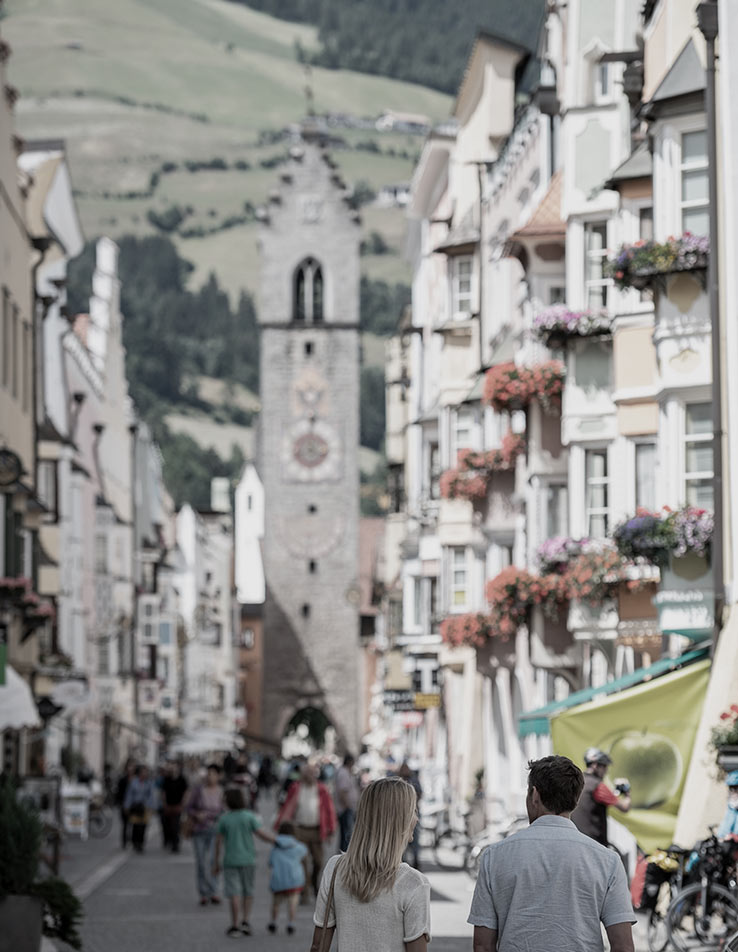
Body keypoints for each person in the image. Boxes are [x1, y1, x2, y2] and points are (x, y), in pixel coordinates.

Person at [468, 755, 635, 952]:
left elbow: (482, 945)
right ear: (575, 799)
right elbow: (623, 946)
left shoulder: (493, 857)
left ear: (535, 795)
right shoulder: (607, 861)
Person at [310, 777, 431, 952]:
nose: (416, 819)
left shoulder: (335, 868)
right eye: (413, 811)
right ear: (399, 820)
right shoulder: (414, 883)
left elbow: (317, 945)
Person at [213, 786, 277, 937]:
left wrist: (216, 862)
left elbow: (218, 843)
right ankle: (246, 921)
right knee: (248, 891)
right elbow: (261, 834)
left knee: (233, 893)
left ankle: (234, 924)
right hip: (248, 859)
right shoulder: (248, 816)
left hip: (230, 860)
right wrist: (277, 840)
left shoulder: (224, 819)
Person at [276, 763, 336, 904]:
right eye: (307, 773)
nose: (310, 776)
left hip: (316, 830)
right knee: (302, 862)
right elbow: (287, 806)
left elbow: (329, 810)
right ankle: (304, 892)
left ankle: (314, 884)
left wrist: (331, 830)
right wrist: (282, 825)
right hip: (299, 829)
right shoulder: (296, 787)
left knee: (318, 861)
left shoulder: (322, 789)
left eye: (312, 773)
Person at [571, 747, 631, 847]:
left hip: (576, 841)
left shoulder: (578, 782)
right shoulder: (597, 786)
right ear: (595, 765)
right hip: (594, 843)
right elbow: (624, 807)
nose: (606, 771)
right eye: (604, 767)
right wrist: (627, 792)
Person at [187, 763, 225, 906]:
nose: (210, 777)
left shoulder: (222, 792)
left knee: (213, 861)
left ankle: (214, 891)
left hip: (215, 830)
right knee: (201, 862)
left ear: (218, 776)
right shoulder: (198, 790)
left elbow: (225, 810)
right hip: (199, 830)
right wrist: (197, 814)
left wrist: (217, 817)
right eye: (208, 773)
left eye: (213, 774)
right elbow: (189, 807)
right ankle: (203, 892)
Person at [267, 820, 308, 935]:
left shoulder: (275, 847)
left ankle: (273, 922)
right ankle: (291, 923)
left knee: (276, 903)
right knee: (293, 902)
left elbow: (270, 862)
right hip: (294, 880)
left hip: (278, 880)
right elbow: (304, 856)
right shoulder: (299, 847)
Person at [123, 765, 157, 854]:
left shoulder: (149, 783)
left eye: (146, 772)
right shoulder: (134, 782)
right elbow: (129, 794)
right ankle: (135, 842)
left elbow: (151, 795)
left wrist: (152, 807)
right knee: (136, 825)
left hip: (145, 806)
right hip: (135, 806)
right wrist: (127, 806)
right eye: (143, 772)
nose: (144, 774)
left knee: (143, 826)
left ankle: (141, 843)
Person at [398, 761, 422, 870]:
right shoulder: (397, 782)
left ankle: (415, 860)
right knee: (401, 839)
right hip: (401, 814)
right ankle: (401, 860)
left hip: (412, 810)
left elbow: (420, 794)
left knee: (414, 838)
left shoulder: (414, 780)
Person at [162, 760, 188, 853]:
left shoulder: (182, 779)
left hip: (177, 805)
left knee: (175, 825)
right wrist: (164, 804)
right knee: (168, 825)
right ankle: (169, 841)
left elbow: (185, 792)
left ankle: (175, 844)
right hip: (169, 806)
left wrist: (183, 803)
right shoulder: (167, 779)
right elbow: (163, 792)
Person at [335, 754, 360, 852]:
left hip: (348, 807)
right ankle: (344, 853)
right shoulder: (343, 773)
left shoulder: (346, 773)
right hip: (345, 808)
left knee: (347, 832)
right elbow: (342, 791)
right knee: (346, 833)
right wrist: (347, 805)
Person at [115, 759, 136, 849]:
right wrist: (120, 803)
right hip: (124, 804)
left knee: (135, 823)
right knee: (125, 824)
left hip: (135, 805)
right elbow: (119, 792)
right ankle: (124, 841)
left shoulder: (136, 779)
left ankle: (133, 840)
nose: (130, 768)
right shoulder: (123, 779)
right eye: (129, 766)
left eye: (132, 766)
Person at [717, 770, 738, 838]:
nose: (733, 793)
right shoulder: (730, 811)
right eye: (731, 789)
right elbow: (721, 835)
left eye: (736, 789)